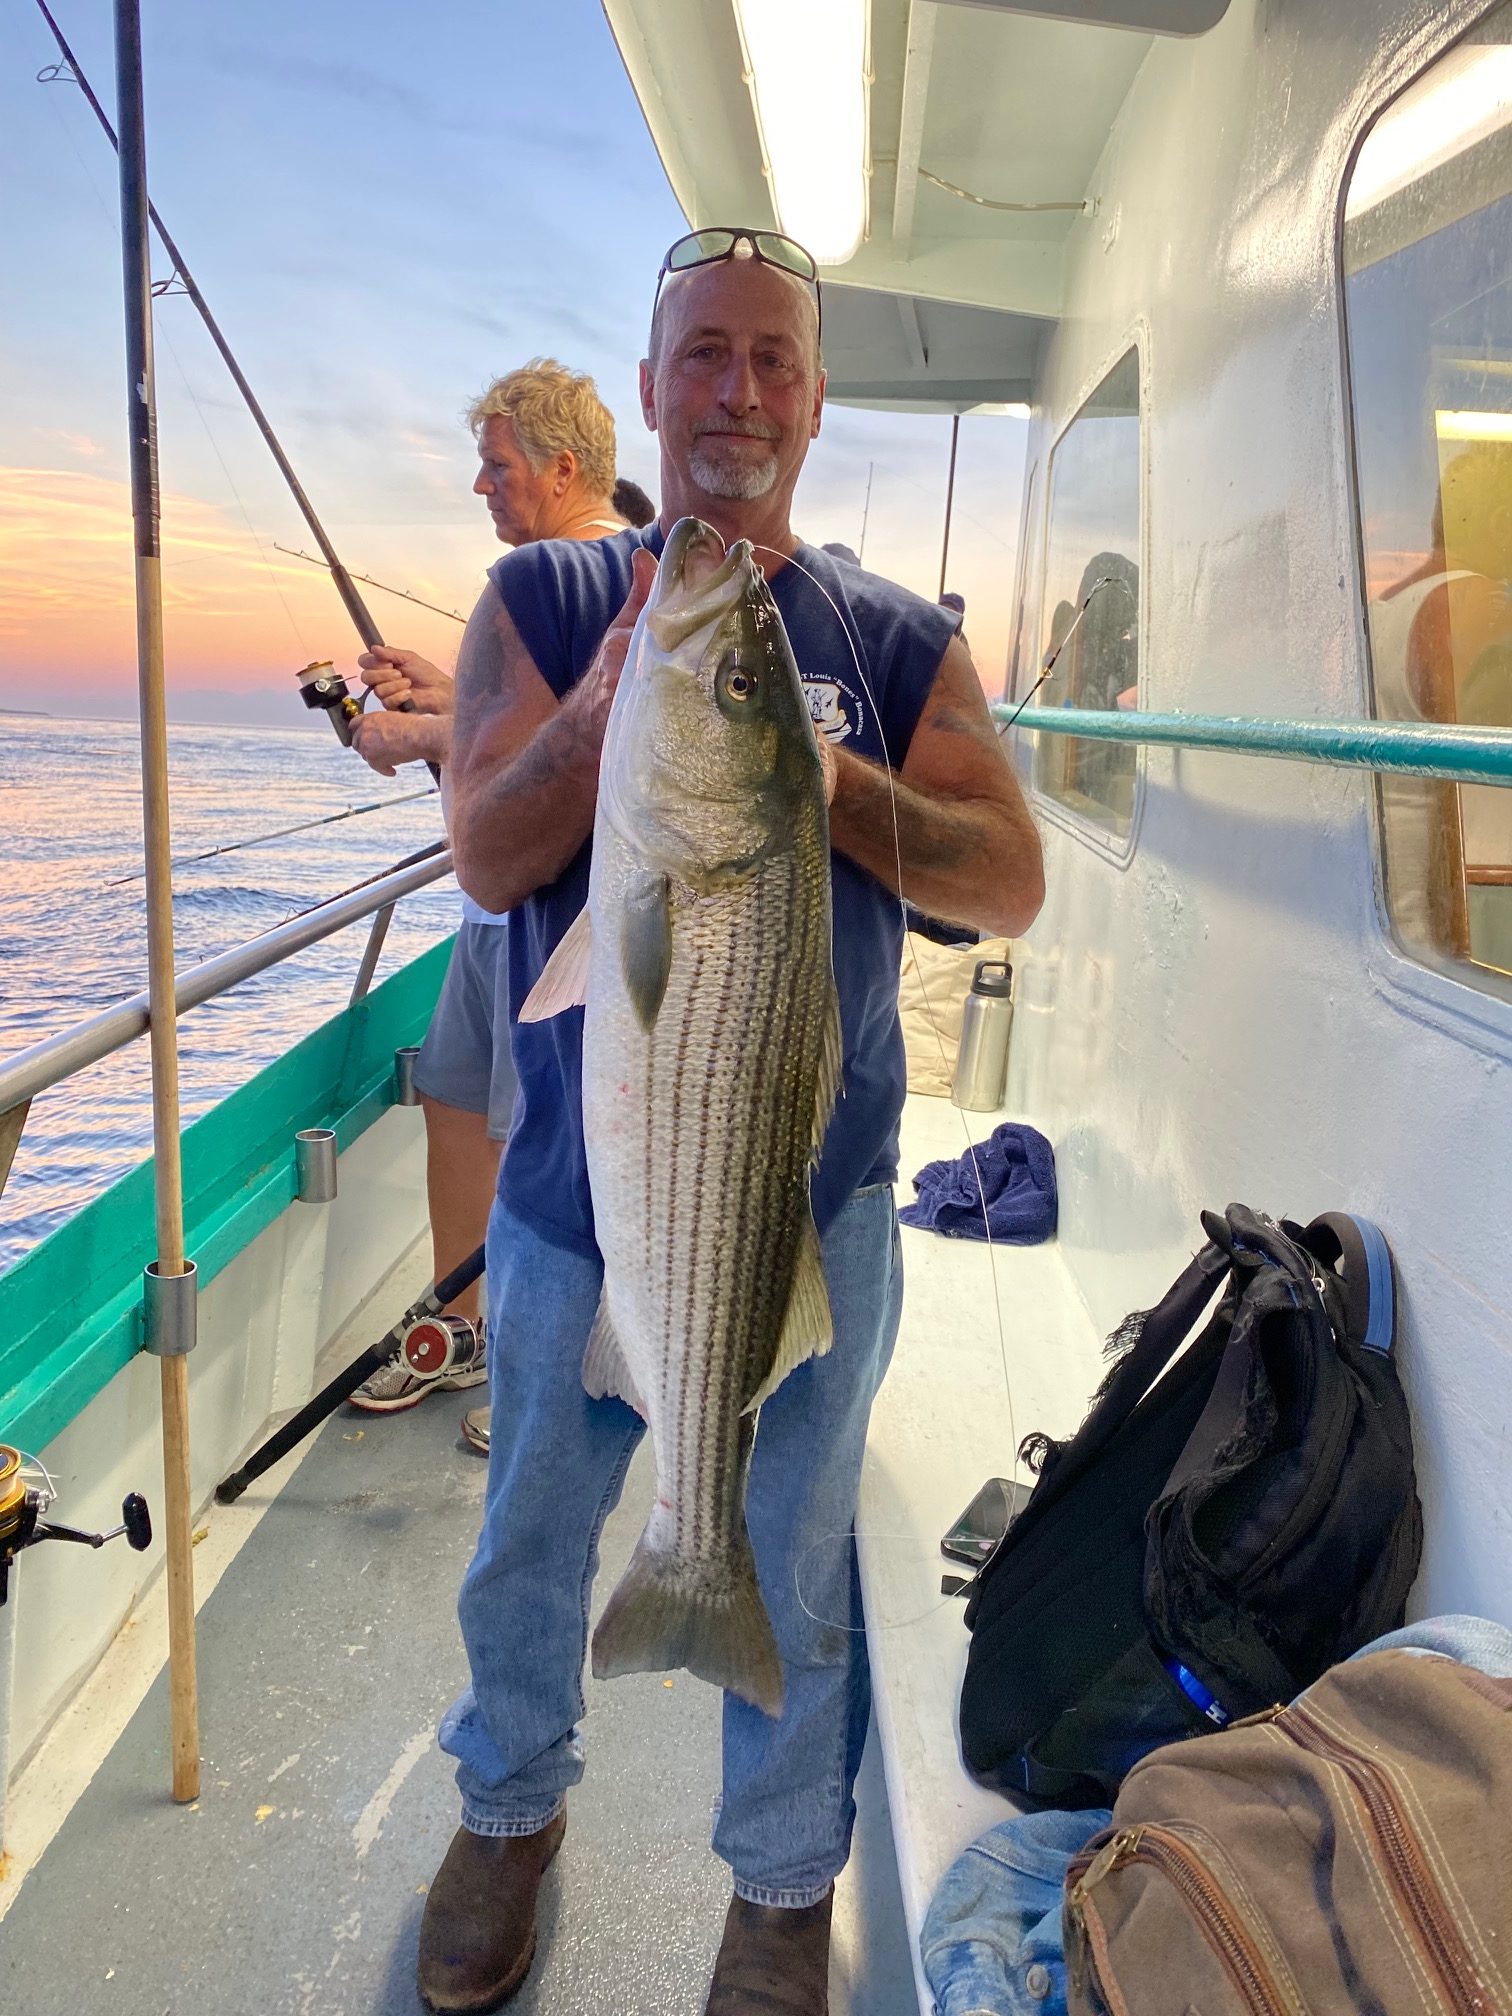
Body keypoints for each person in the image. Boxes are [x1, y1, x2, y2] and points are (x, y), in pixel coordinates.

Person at [422, 228, 1044, 2016]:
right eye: (703, 355)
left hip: (815, 1189)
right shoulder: (548, 603)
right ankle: (508, 1811)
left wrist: (812, 776)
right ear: (648, 388)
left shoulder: (895, 635)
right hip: (569, 1192)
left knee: (797, 1548)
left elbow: (1004, 878)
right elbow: (483, 844)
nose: (738, 394)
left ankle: (779, 1887)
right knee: (531, 1532)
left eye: (773, 359)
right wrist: (621, 710)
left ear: (816, 395)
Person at [347, 360, 629, 1415]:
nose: (482, 484)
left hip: (548, 924)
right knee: (455, 1098)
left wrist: (417, 730)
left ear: (562, 468)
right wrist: (446, 687)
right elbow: (514, 724)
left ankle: (540, 1373)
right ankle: (462, 1329)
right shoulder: (528, 591)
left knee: (539, 1146)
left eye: (496, 464)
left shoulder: (603, 580)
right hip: (483, 914)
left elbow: (586, 746)